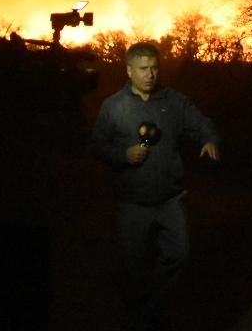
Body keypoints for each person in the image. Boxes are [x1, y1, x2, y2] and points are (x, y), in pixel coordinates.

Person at [91, 41, 220, 331]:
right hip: (132, 201)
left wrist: (210, 139)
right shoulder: (113, 106)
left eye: (154, 68)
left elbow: (200, 122)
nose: (150, 74)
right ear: (129, 71)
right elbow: (98, 145)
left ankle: (153, 309)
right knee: (133, 265)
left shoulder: (174, 101)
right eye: (143, 69)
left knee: (179, 254)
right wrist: (123, 155)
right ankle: (135, 313)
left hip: (170, 199)